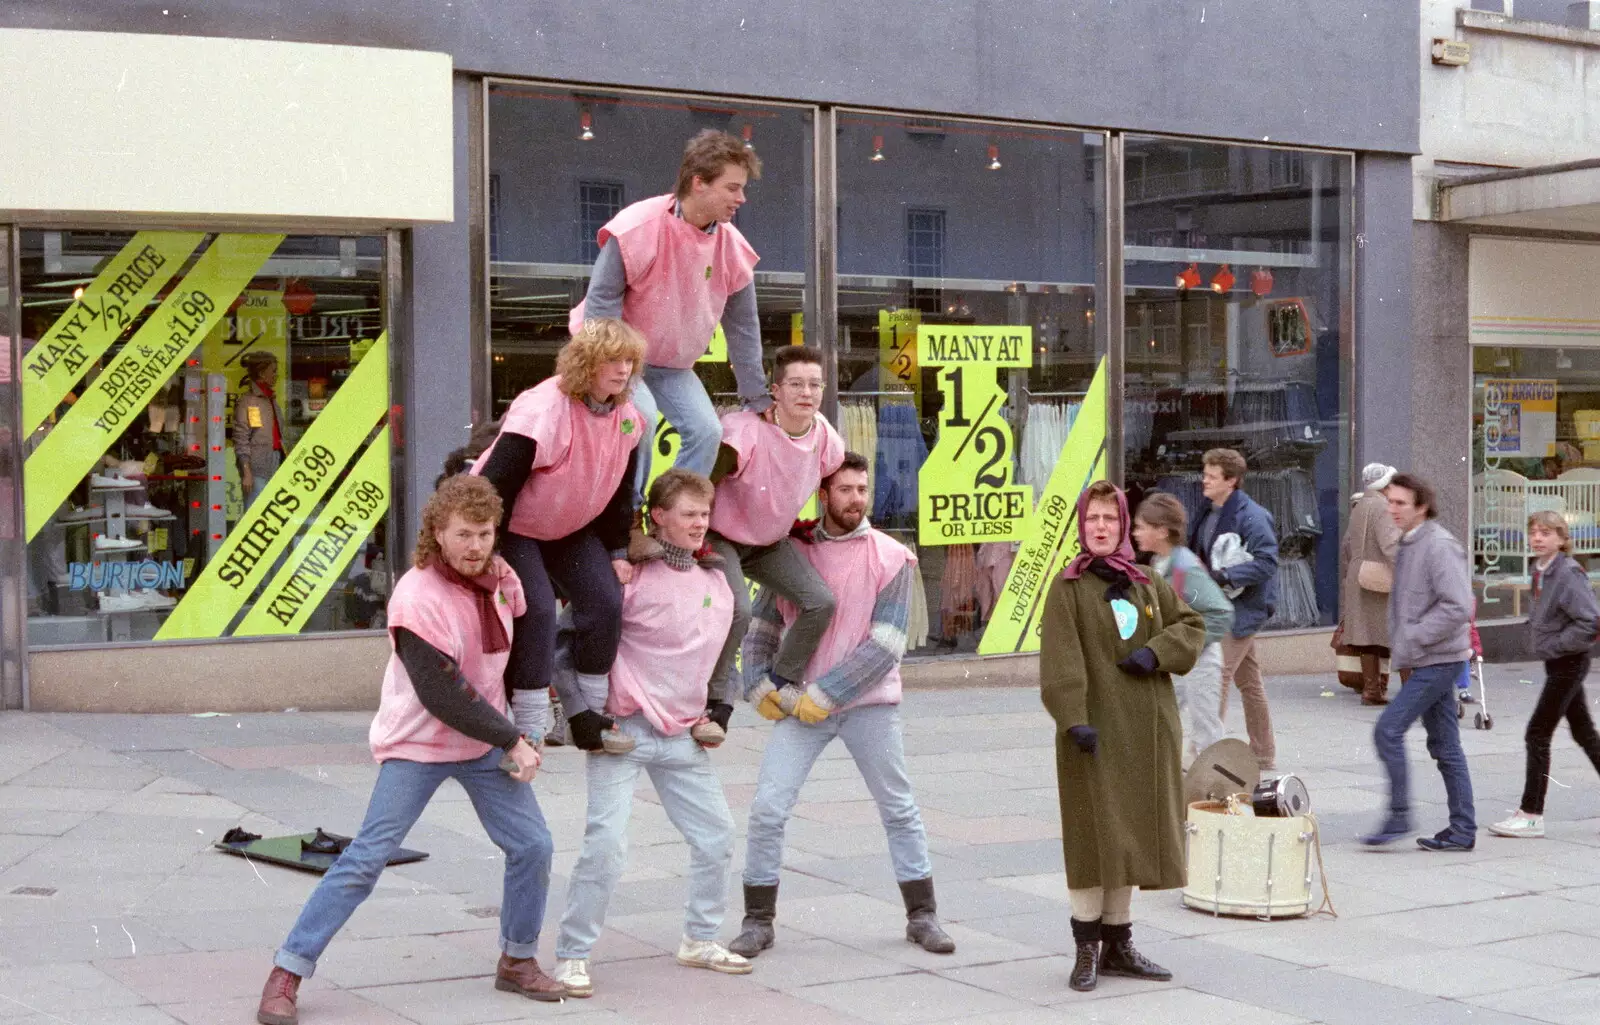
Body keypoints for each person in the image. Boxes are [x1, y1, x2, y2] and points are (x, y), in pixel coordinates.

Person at [257, 475, 561, 1025]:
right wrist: (512, 738)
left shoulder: (502, 579)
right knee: (367, 857)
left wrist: (530, 731)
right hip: (419, 742)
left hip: (483, 739)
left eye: (485, 534)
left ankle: (517, 959)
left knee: (533, 846)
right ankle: (287, 970)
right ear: (438, 534)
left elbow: (523, 659)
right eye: (464, 534)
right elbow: (442, 692)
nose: (475, 546)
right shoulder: (417, 595)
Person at [729, 452, 955, 959]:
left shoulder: (892, 556)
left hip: (867, 706)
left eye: (862, 489)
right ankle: (757, 920)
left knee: (898, 808)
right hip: (798, 708)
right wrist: (759, 683)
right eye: (846, 489)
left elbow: (887, 644)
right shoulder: (793, 553)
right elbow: (764, 624)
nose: (856, 499)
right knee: (767, 809)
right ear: (823, 495)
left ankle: (923, 915)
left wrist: (823, 695)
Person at [550, 468, 751, 997]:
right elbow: (562, 646)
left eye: (705, 514)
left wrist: (722, 707)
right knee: (607, 848)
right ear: (657, 517)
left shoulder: (716, 582)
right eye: (688, 514)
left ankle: (700, 939)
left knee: (717, 837)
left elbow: (724, 657)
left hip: (684, 736)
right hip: (623, 732)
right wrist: (579, 715)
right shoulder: (625, 578)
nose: (699, 523)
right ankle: (572, 956)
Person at [1041, 481, 1205, 994]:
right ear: (1081, 525)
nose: (1102, 527)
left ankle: (1118, 944)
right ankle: (1086, 949)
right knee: (1094, 838)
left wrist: (1156, 652)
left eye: (1111, 519)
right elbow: (1061, 660)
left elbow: (1192, 625)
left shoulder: (1147, 582)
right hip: (1092, 732)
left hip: (1146, 731)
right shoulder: (1067, 587)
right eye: (1092, 519)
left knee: (1129, 836)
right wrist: (1073, 718)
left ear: (1123, 525)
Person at [570, 129, 769, 515]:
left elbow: (743, 328)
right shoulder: (638, 226)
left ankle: (672, 516)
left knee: (708, 432)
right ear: (699, 183)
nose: (741, 199)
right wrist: (606, 368)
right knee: (638, 417)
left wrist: (756, 394)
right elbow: (601, 301)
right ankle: (625, 521)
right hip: (620, 358)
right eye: (732, 188)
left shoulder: (733, 247)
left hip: (673, 366)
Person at [472, 319, 645, 756]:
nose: (623, 369)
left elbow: (619, 492)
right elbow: (496, 483)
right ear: (586, 363)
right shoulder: (543, 409)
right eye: (612, 359)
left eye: (629, 360)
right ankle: (528, 725)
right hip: (513, 524)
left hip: (569, 526)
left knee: (606, 603)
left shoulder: (628, 418)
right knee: (538, 610)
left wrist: (618, 551)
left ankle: (588, 716)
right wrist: (486, 545)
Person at [706, 345, 844, 718]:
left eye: (815, 385)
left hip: (769, 542)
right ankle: (716, 700)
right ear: (776, 390)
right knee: (740, 609)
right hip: (721, 536)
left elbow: (834, 488)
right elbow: (701, 484)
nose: (806, 393)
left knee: (820, 601)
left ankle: (780, 684)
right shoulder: (742, 432)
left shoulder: (825, 437)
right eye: (796, 384)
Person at [1361, 473, 1478, 851]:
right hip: (1426, 657)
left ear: (1422, 507)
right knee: (1445, 746)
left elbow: (1459, 606)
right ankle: (1462, 829)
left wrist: (1414, 635)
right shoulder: (1409, 543)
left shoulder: (1439, 545)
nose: (1391, 509)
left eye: (1400, 504)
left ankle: (1400, 815)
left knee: (1387, 730)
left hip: (1440, 659)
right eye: (1390, 501)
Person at [1489, 511, 1600, 839]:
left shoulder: (1568, 572)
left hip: (1569, 662)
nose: (1538, 538)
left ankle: (1531, 813)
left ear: (1562, 539)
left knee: (1537, 733)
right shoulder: (1540, 570)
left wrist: (1555, 644)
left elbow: (1591, 621)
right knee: (1584, 733)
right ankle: (1530, 812)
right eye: (1534, 532)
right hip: (1558, 661)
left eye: (1547, 533)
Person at [1189, 447, 1280, 770]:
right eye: (1205, 473)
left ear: (1232, 481)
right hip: (1222, 603)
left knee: (1218, 675)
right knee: (1249, 681)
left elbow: (1267, 561)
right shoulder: (1210, 509)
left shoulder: (1252, 516)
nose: (1204, 480)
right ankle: (1263, 752)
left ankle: (1206, 754)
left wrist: (1226, 575)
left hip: (1243, 607)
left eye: (1212, 476)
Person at [1133, 492, 1233, 768]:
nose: (1135, 532)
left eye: (1141, 526)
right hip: (1179, 660)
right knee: (1162, 717)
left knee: (1206, 731)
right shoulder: (1161, 562)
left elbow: (1221, 612)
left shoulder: (1184, 567)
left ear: (1162, 531)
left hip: (1199, 661)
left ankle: (1218, 788)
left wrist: (1189, 643)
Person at [1339, 462, 1402, 705]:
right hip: (1381, 578)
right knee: (1395, 634)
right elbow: (1390, 546)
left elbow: (1347, 544)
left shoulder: (1360, 505)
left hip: (1359, 575)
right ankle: (1409, 693)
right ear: (1385, 485)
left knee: (1368, 635)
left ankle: (1371, 690)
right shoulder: (1383, 508)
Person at [234, 349, 285, 506]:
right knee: (255, 512)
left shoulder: (269, 399)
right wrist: (247, 472)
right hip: (257, 467)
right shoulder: (249, 402)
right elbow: (241, 438)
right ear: (262, 373)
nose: (276, 375)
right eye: (273, 371)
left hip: (274, 463)